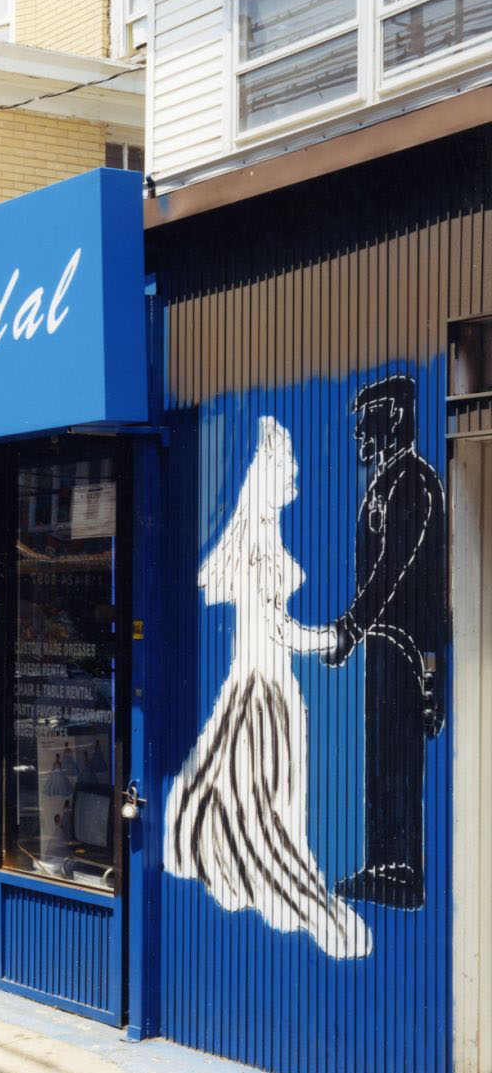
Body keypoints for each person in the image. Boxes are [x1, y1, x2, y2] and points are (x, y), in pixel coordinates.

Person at [163, 416, 370, 960]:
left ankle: (241, 878)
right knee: (264, 805)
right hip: (267, 694)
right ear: (264, 473)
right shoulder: (258, 543)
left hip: (257, 688)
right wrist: (328, 637)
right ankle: (305, 906)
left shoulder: (263, 534)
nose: (296, 476)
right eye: (287, 467)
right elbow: (276, 627)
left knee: (244, 795)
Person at [324, 375, 447, 911]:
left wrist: (351, 626)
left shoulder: (414, 483)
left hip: (404, 643)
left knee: (398, 752)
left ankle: (403, 871)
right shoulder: (383, 483)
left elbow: (391, 568)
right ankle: (383, 863)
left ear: (394, 416)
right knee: (379, 753)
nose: (357, 432)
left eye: (367, 418)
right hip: (384, 641)